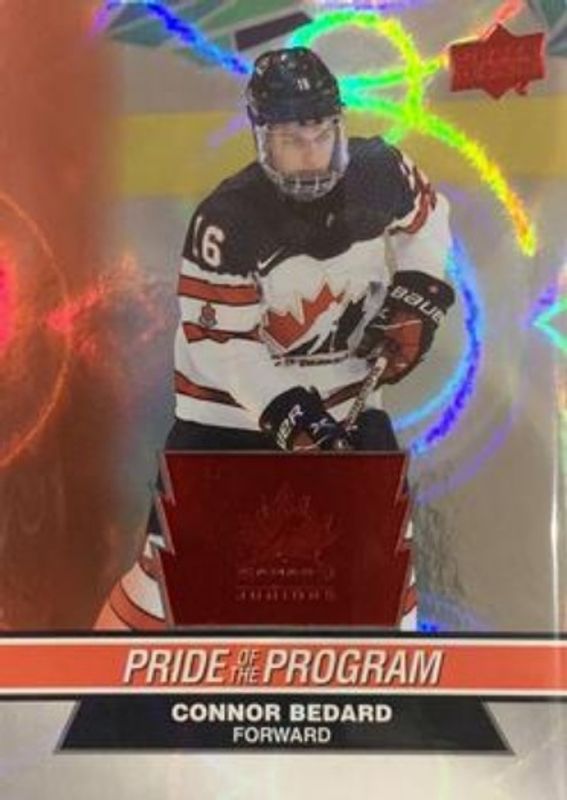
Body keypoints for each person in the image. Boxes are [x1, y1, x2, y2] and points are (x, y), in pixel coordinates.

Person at [95, 46, 455, 630]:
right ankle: (96, 677)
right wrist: (287, 411)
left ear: (338, 125)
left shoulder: (381, 171)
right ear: (262, 137)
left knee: (384, 575)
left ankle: (389, 680)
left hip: (347, 411)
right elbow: (222, 346)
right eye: (291, 139)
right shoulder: (226, 219)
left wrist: (417, 290)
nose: (310, 154)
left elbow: (428, 219)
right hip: (226, 425)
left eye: (320, 135)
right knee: (170, 583)